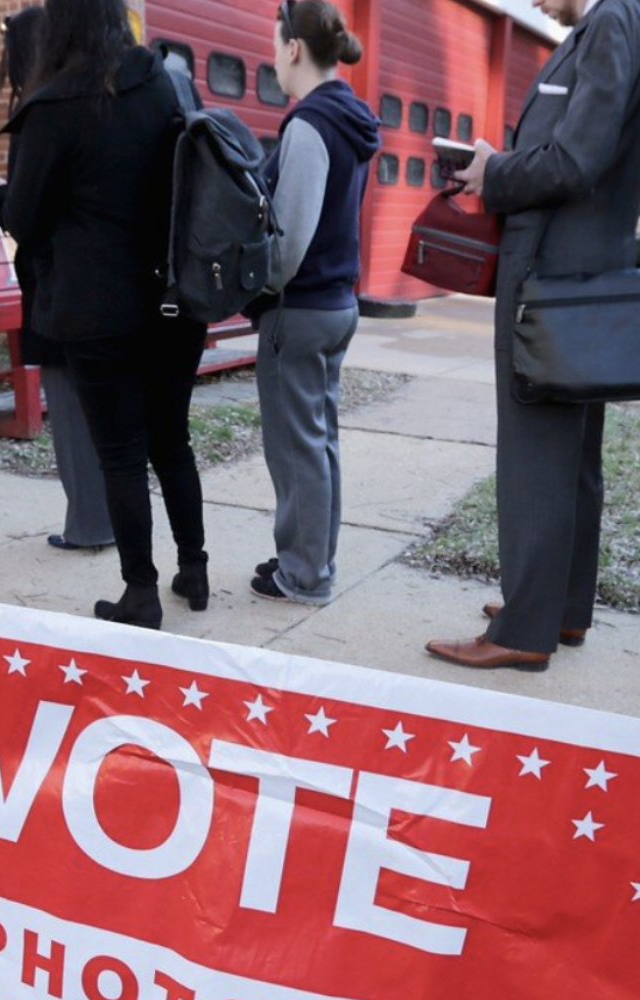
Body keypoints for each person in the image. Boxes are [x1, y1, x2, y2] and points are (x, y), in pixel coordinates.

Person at [423, 0, 640, 671]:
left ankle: (524, 629)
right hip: (591, 274)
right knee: (573, 456)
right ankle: (560, 609)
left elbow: (576, 157)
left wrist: (492, 172)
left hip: (549, 276)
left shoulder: (610, 22)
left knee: (535, 454)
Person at [0, 0, 206, 625]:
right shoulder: (162, 85)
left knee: (119, 452)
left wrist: (3, 197)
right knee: (172, 441)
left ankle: (139, 592)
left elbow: (26, 221)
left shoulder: (54, 107)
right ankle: (192, 569)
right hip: (173, 300)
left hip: (98, 311)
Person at [250, 0, 379, 605]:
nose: (273, 57)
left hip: (298, 311)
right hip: (337, 304)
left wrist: (254, 288)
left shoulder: (308, 124)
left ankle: (303, 575)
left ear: (294, 48)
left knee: (297, 447)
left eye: (276, 44)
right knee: (319, 442)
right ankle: (309, 561)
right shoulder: (350, 117)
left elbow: (291, 241)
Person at [0, 5, 109, 548]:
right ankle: (106, 517)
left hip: (57, 290)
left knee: (69, 410)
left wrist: (0, 196)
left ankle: (88, 523)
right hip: (106, 290)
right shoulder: (99, 97)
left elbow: (26, 213)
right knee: (102, 414)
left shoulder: (42, 109)